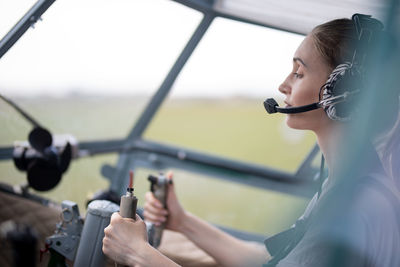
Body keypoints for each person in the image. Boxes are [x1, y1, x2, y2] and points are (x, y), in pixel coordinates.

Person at [102, 14, 400, 267]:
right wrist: (182, 221)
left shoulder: (354, 208)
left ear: (343, 92)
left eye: (298, 72)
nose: (283, 85)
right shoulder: (344, 184)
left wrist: (137, 253)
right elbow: (268, 259)